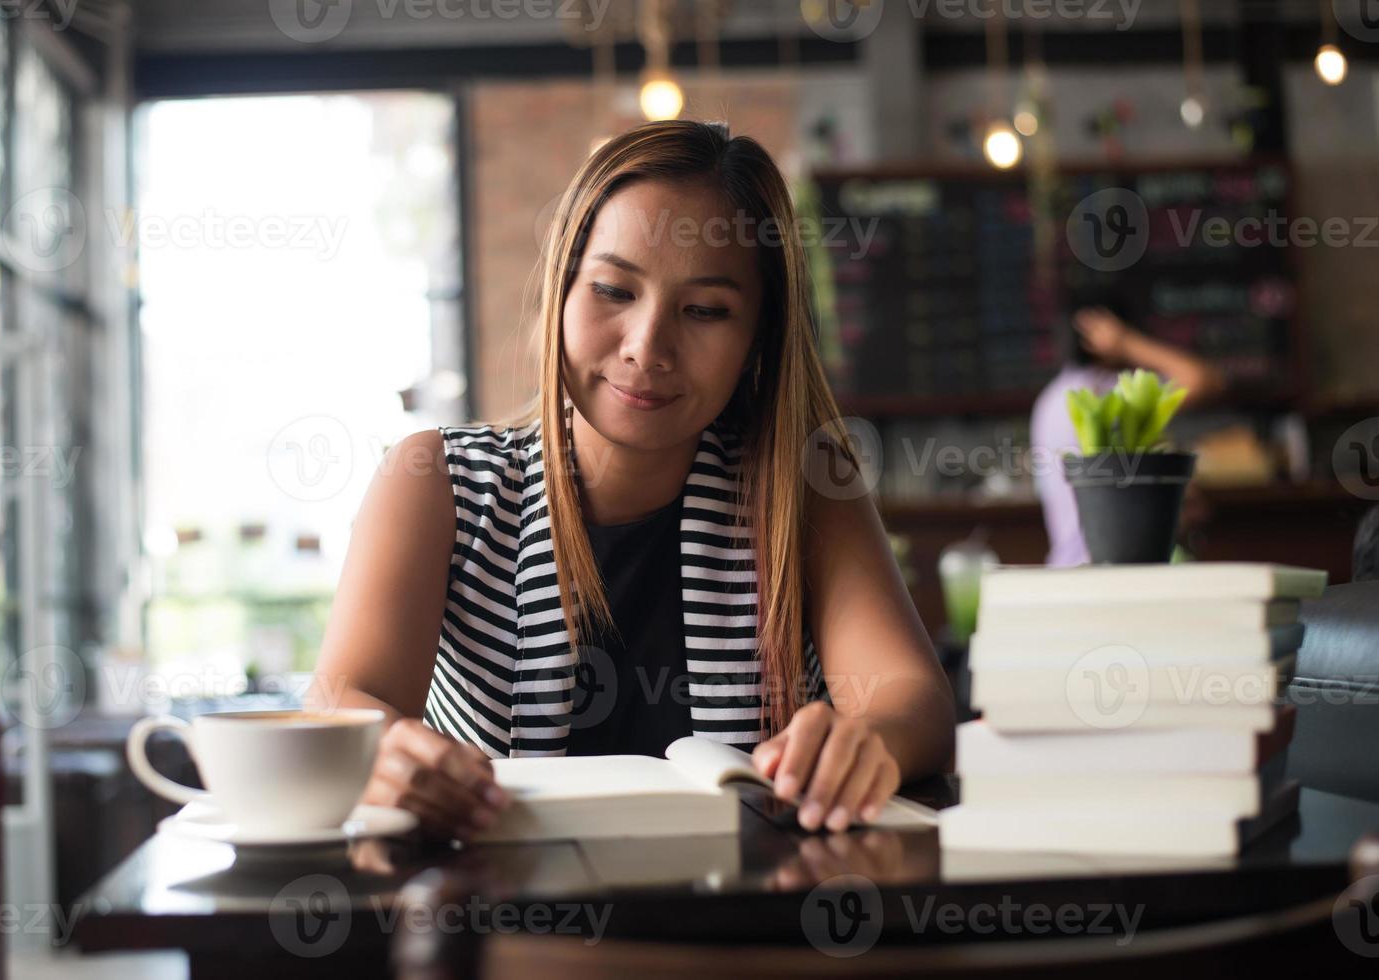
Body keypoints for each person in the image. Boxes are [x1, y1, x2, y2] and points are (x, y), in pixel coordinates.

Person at [310, 121, 955, 838]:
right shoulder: (438, 481)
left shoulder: (800, 484)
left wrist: (866, 742)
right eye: (613, 290)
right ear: (561, 289)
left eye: (706, 311)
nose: (647, 348)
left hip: (745, 928)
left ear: (758, 339)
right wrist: (379, 749)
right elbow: (343, 693)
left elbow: (912, 699)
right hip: (498, 924)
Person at [1030, 304, 1227, 567]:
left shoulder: (1051, 398)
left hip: (1068, 568)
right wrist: (1126, 342)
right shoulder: (1104, 393)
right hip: (1114, 573)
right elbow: (1204, 380)